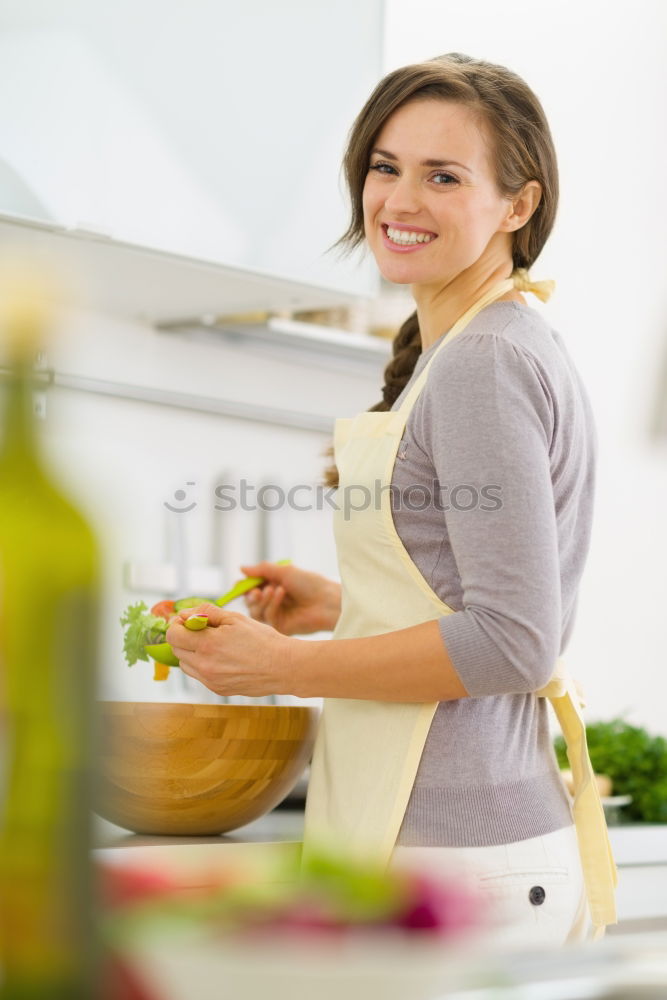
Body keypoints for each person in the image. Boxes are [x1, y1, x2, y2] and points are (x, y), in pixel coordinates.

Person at [166, 52, 617, 948]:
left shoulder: (486, 360)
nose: (399, 200)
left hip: (457, 861)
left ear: (517, 205)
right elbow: (471, 601)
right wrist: (342, 609)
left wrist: (279, 670)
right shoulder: (471, 347)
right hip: (444, 849)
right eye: (385, 166)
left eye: (442, 176)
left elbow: (513, 640)